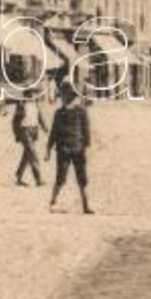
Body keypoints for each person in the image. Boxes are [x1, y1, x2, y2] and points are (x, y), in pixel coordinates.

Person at [45, 80, 93, 214]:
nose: (65, 99)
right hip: (63, 149)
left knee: (82, 178)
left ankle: (86, 206)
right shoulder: (58, 113)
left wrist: (86, 145)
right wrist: (48, 148)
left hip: (78, 149)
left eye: (68, 96)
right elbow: (54, 132)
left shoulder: (81, 112)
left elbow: (86, 129)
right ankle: (52, 202)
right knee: (60, 178)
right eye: (63, 96)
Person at [11, 91, 47, 187]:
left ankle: (19, 176)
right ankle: (38, 180)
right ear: (25, 96)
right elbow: (14, 121)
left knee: (27, 156)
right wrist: (17, 134)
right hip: (24, 131)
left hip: (33, 132)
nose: (32, 96)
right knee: (32, 154)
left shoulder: (35, 104)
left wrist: (44, 128)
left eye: (33, 94)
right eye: (29, 95)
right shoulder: (21, 105)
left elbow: (39, 117)